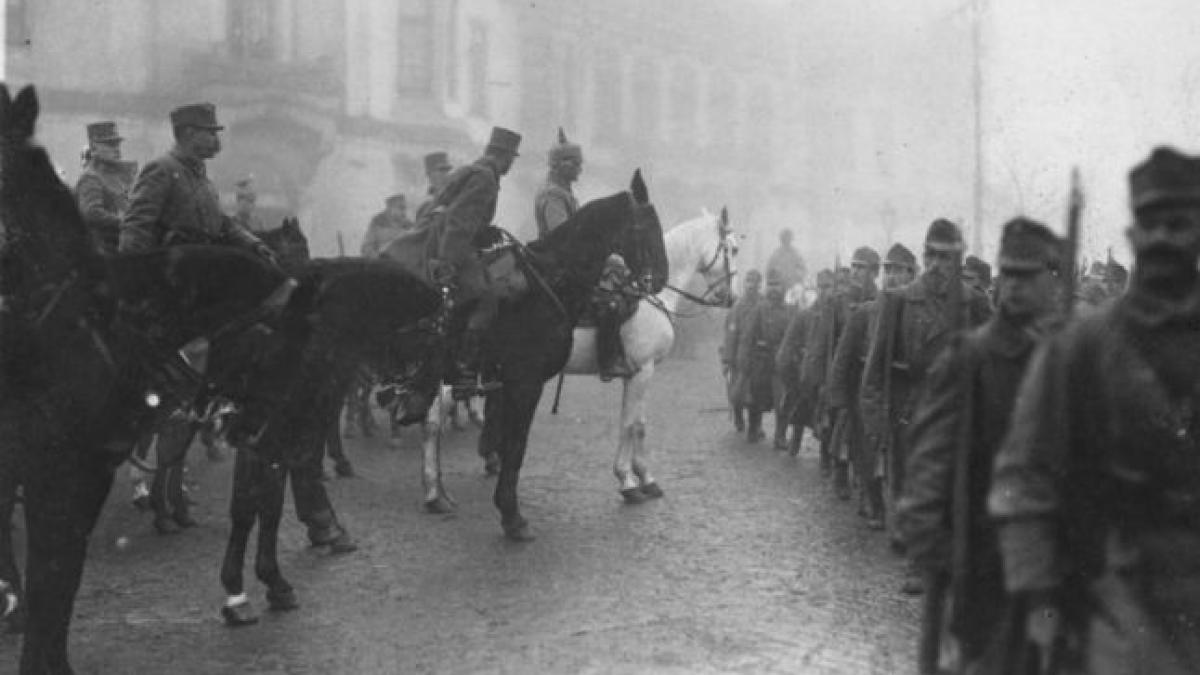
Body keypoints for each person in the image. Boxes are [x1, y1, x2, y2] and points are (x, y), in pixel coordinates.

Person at [989, 147, 1200, 674]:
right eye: (1150, 224)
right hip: (1114, 595)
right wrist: (1038, 598)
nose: (1163, 239)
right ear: (1133, 236)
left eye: (1179, 223)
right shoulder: (1081, 348)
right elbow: (1022, 477)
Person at [898, 218, 1062, 673]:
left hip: (1053, 555)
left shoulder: (1070, 357)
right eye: (1007, 274)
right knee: (981, 658)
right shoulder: (971, 355)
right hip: (982, 546)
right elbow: (931, 451)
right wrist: (924, 525)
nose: (1015, 287)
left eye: (1028, 276)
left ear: (1052, 281)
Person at [860, 218, 992, 594]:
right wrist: (874, 420)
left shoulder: (975, 303)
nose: (937, 265)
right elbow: (875, 367)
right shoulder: (899, 301)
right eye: (931, 255)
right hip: (911, 410)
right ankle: (917, 564)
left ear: (958, 259)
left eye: (946, 258)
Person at [425, 126, 522, 392]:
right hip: (453, 247)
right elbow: (459, 221)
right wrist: (448, 263)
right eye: (511, 158)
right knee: (487, 295)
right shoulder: (485, 178)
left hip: (447, 242)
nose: (511, 164)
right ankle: (464, 366)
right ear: (503, 156)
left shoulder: (474, 169)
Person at [119, 103, 271, 260]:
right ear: (189, 133)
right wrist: (135, 270)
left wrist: (254, 244)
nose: (216, 141)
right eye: (211, 133)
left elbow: (222, 222)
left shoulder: (202, 178)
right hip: (174, 270)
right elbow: (136, 227)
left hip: (202, 267)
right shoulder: (162, 169)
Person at [844, 243, 916, 527]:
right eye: (887, 270)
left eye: (898, 270)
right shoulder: (867, 311)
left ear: (912, 274)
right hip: (873, 390)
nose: (891, 276)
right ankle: (875, 505)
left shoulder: (917, 312)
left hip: (906, 394)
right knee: (869, 451)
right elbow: (845, 357)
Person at [823, 245, 881, 499]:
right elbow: (828, 343)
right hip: (847, 374)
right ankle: (840, 470)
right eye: (854, 266)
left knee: (866, 430)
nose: (856, 272)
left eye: (862, 267)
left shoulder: (883, 300)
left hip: (871, 376)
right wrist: (830, 383)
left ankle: (862, 474)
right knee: (844, 423)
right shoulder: (839, 302)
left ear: (875, 272)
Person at [776, 269, 834, 455]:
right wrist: (790, 375)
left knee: (826, 419)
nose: (826, 292)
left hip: (827, 376)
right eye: (822, 287)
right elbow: (787, 346)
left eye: (829, 287)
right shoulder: (805, 315)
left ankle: (825, 459)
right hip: (805, 375)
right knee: (800, 412)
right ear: (816, 289)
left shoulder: (839, 316)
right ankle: (793, 444)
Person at [735, 268, 793, 443]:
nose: (773, 288)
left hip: (780, 362)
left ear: (784, 287)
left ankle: (780, 436)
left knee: (781, 399)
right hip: (760, 360)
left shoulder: (790, 311)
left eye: (777, 285)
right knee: (755, 398)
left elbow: (794, 338)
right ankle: (753, 429)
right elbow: (747, 336)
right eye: (770, 284)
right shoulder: (760, 309)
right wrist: (743, 363)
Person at [75, 121, 136, 255]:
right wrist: (127, 223)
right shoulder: (90, 178)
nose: (117, 149)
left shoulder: (120, 175)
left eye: (117, 144)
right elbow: (92, 213)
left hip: (124, 243)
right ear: (94, 148)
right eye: (110, 145)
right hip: (105, 248)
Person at [723, 269, 762, 433]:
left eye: (755, 282)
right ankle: (739, 417)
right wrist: (728, 359)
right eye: (748, 281)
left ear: (760, 284)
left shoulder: (763, 304)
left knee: (758, 393)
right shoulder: (738, 307)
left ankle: (756, 426)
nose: (751, 285)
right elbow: (730, 334)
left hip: (759, 358)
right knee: (737, 393)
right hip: (739, 356)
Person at [592, 253, 639, 381]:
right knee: (610, 309)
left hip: (611, 277)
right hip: (597, 284)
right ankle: (607, 364)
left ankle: (620, 357)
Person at [534, 128, 582, 238]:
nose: (579, 169)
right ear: (561, 165)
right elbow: (561, 236)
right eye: (576, 164)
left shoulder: (563, 191)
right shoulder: (552, 194)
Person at [361, 193, 413, 258]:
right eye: (401, 208)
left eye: (405, 208)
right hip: (382, 264)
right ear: (390, 208)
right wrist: (377, 257)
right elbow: (366, 247)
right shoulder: (377, 222)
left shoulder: (409, 225)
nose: (404, 212)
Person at [415, 152, 453, 224]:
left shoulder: (456, 202)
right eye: (440, 170)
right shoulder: (423, 210)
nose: (445, 175)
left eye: (447, 171)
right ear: (429, 175)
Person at [766, 228, 808, 292]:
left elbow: (803, 269)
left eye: (788, 238)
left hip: (792, 286)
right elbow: (769, 271)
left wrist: (798, 278)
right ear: (781, 240)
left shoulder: (795, 254)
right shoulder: (776, 254)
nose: (786, 241)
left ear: (790, 240)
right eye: (784, 239)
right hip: (779, 286)